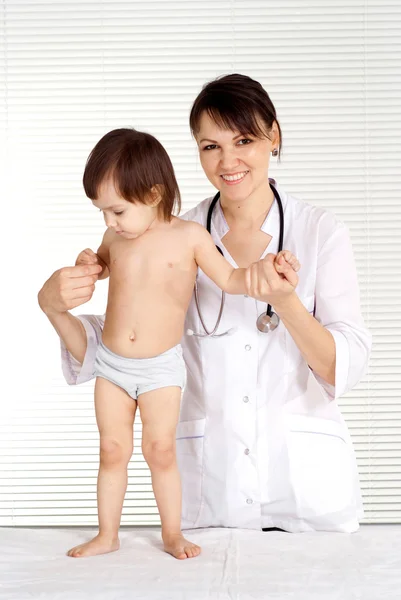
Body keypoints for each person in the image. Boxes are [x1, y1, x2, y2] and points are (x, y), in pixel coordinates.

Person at [38, 73, 371, 538]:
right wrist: (55, 306)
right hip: (210, 491)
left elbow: (344, 367)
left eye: (244, 140)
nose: (227, 160)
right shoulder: (175, 231)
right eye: (210, 146)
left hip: (306, 492)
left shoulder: (320, 231)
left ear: (273, 136)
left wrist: (286, 302)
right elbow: (125, 335)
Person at [57, 127, 300, 560]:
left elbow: (229, 278)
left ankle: (172, 533)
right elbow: (102, 268)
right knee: (112, 449)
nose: (109, 223)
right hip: (111, 365)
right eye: (102, 213)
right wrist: (87, 263)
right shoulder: (116, 237)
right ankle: (107, 535)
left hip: (159, 369)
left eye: (116, 210)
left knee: (161, 449)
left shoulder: (190, 237)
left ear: (152, 194)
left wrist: (263, 270)